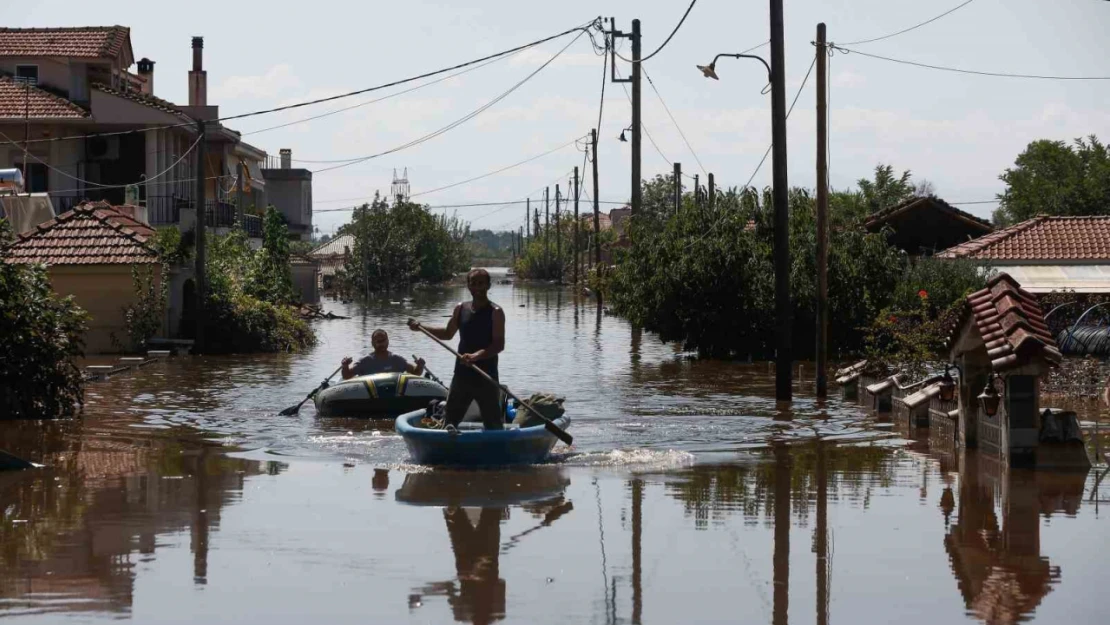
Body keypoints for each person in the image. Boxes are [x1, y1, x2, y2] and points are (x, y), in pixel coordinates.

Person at [409, 268, 505, 430]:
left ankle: (496, 448)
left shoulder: (496, 312)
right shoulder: (461, 309)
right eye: (473, 284)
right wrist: (421, 327)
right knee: (450, 421)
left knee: (493, 424)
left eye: (481, 283)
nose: (477, 287)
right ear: (468, 286)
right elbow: (447, 334)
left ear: (488, 286)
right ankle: (447, 447)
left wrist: (475, 356)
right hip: (462, 375)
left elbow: (498, 345)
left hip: (486, 376)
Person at [341, 329, 425, 379]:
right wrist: (345, 366)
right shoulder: (365, 361)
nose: (382, 344)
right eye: (378, 341)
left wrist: (420, 365)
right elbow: (346, 376)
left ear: (388, 341)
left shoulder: (397, 359)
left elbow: (416, 372)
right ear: (373, 343)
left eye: (384, 340)